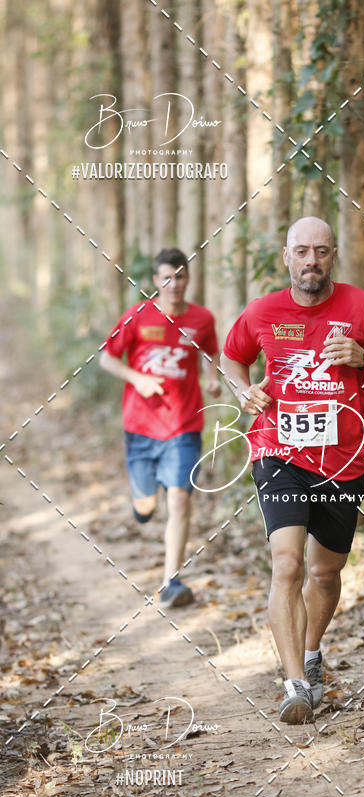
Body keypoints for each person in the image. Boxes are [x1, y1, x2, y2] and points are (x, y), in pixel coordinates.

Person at [220, 217, 364, 724]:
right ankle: (295, 685)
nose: (312, 261)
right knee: (287, 564)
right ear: (286, 256)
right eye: (302, 251)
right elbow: (232, 358)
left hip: (344, 459)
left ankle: (309, 652)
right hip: (278, 450)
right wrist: (245, 393)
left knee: (326, 573)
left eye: (322, 252)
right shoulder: (264, 311)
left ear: (334, 256)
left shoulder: (362, 306)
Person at [100, 247, 221, 608]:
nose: (174, 285)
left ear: (188, 279)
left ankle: (172, 581)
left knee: (180, 500)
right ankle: (142, 503)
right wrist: (137, 379)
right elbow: (107, 358)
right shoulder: (138, 315)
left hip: (184, 424)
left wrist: (212, 378)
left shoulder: (202, 319)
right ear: (156, 280)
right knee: (147, 506)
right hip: (140, 425)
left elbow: (211, 353)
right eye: (166, 278)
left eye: (180, 277)